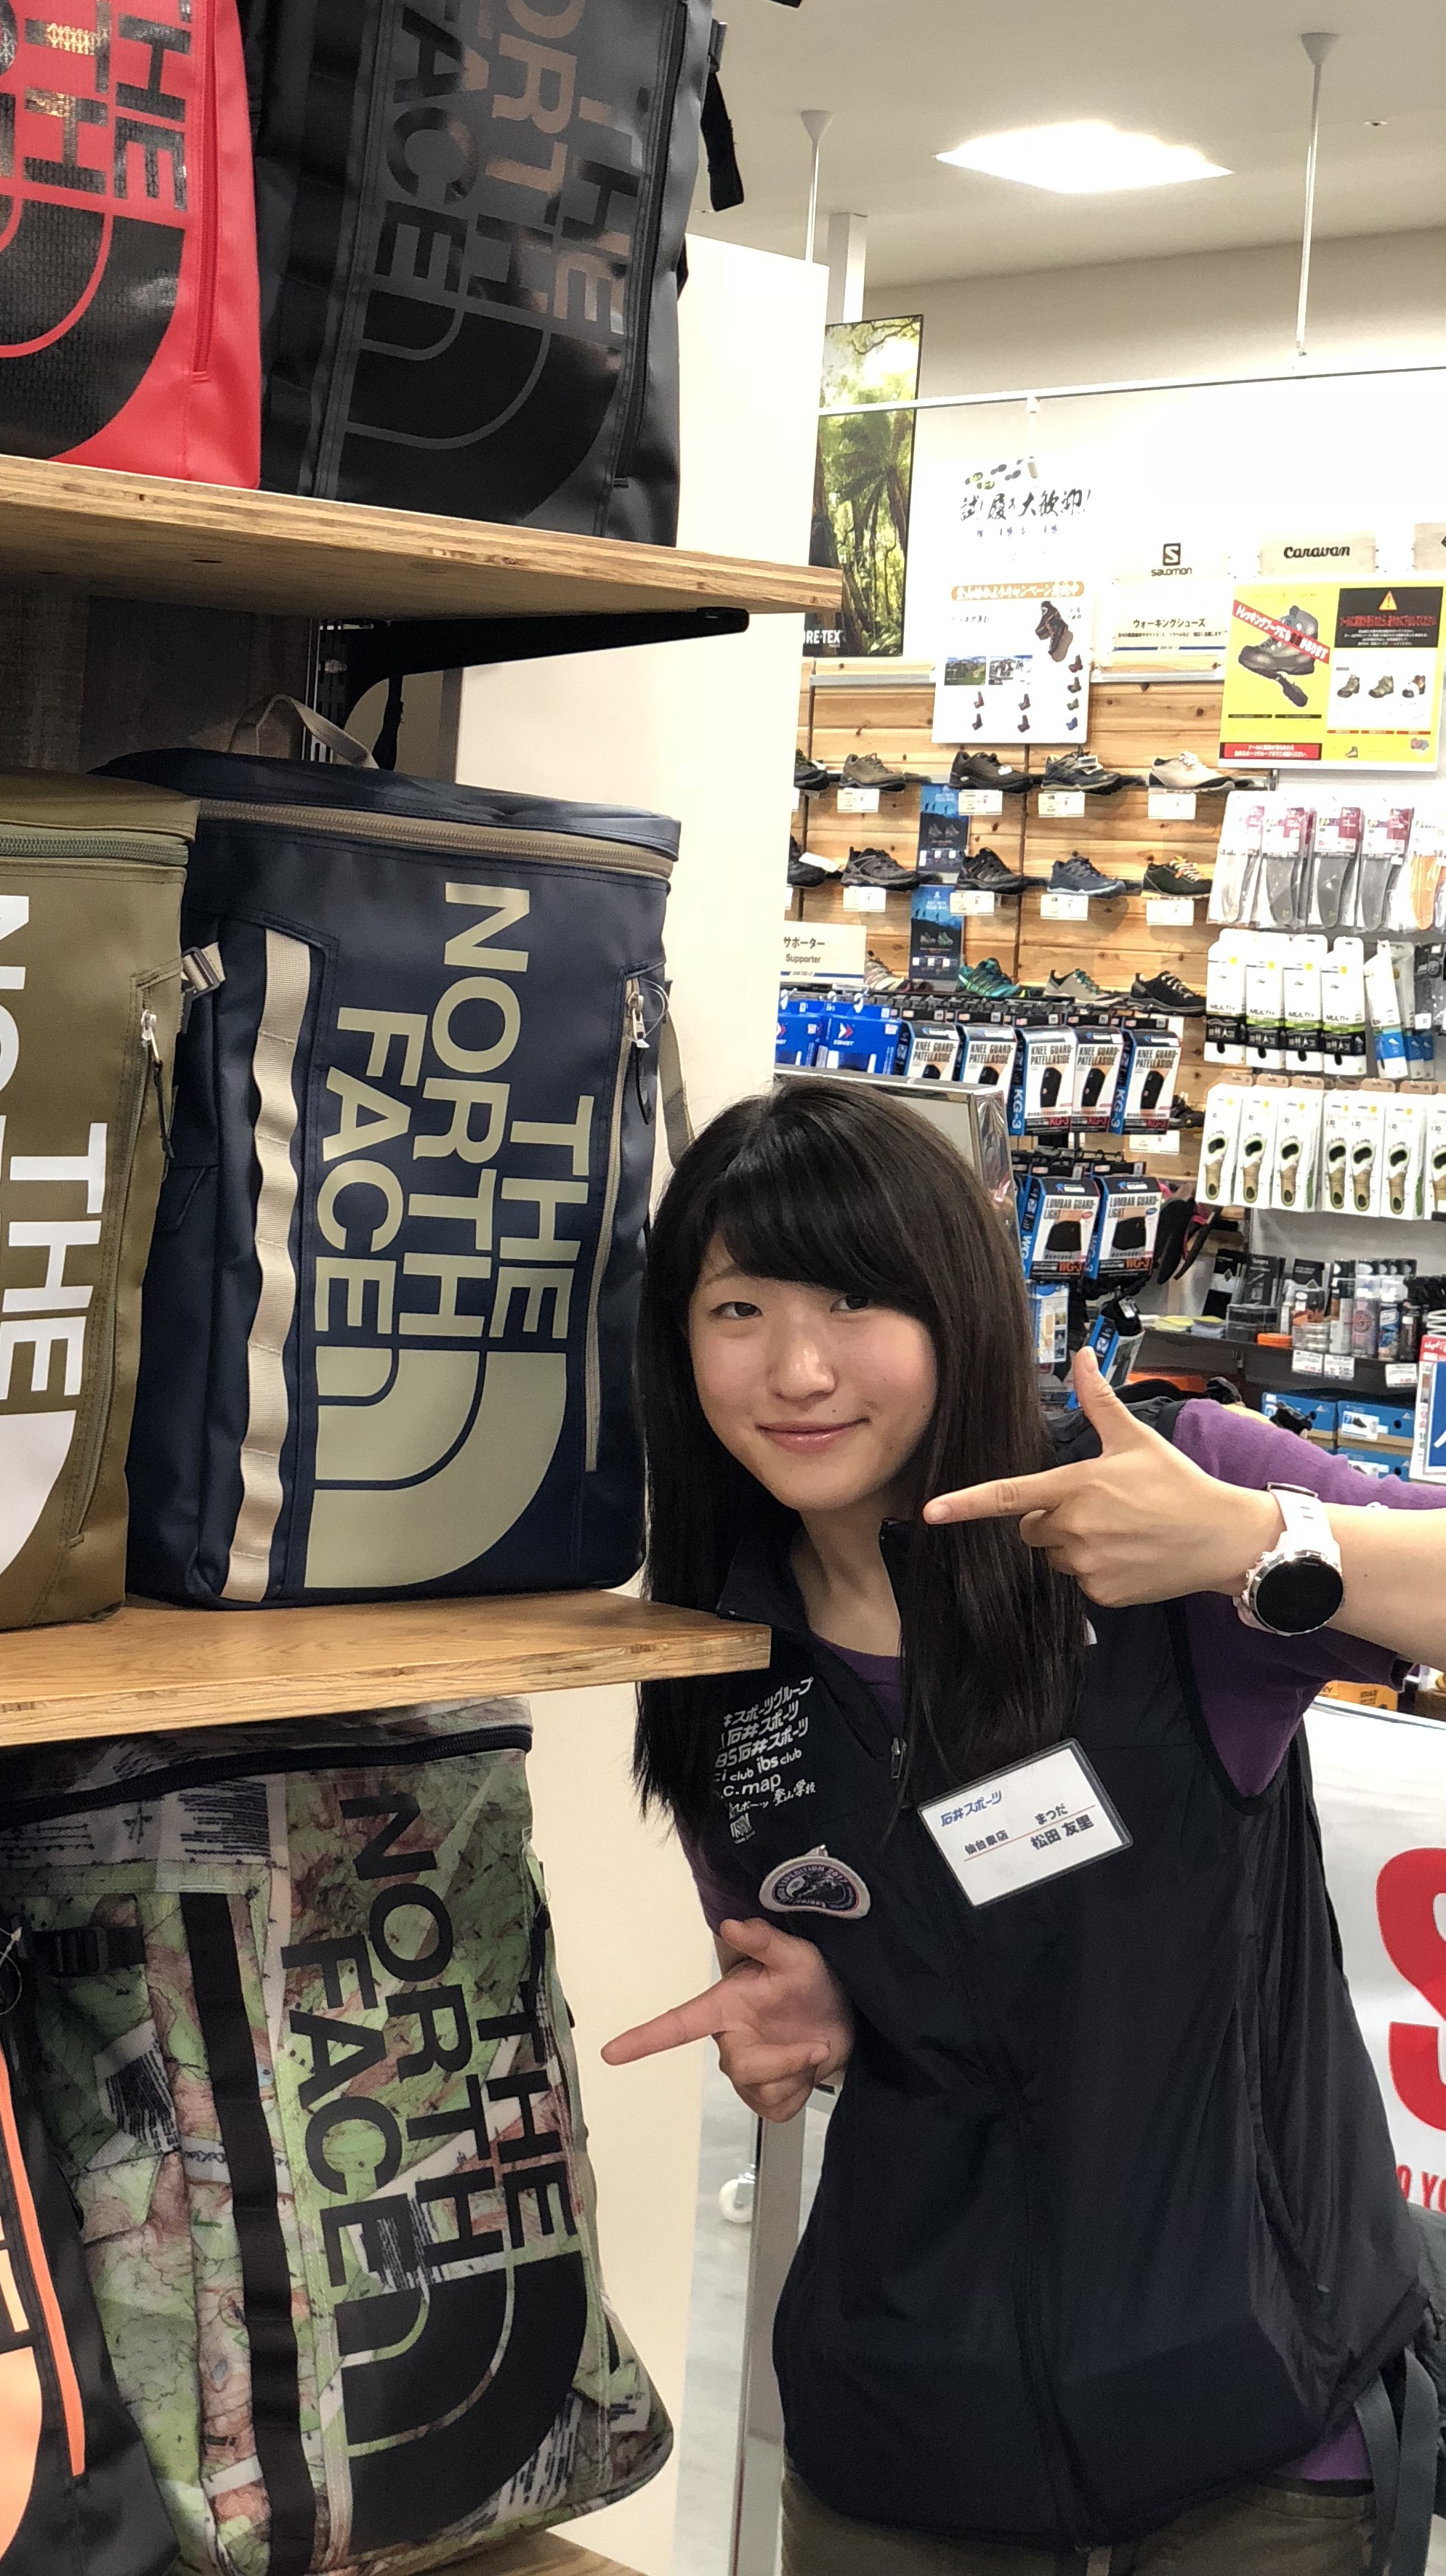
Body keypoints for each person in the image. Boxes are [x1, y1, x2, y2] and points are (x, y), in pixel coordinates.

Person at [605, 1077, 1442, 2575]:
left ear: (958, 1301)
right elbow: (824, 1955)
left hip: (1259, 2444)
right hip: (900, 2450)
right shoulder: (717, 1652)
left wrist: (1259, 1541)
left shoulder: (1167, 1500)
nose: (798, 1370)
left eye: (855, 1299)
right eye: (737, 1311)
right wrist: (818, 2008)